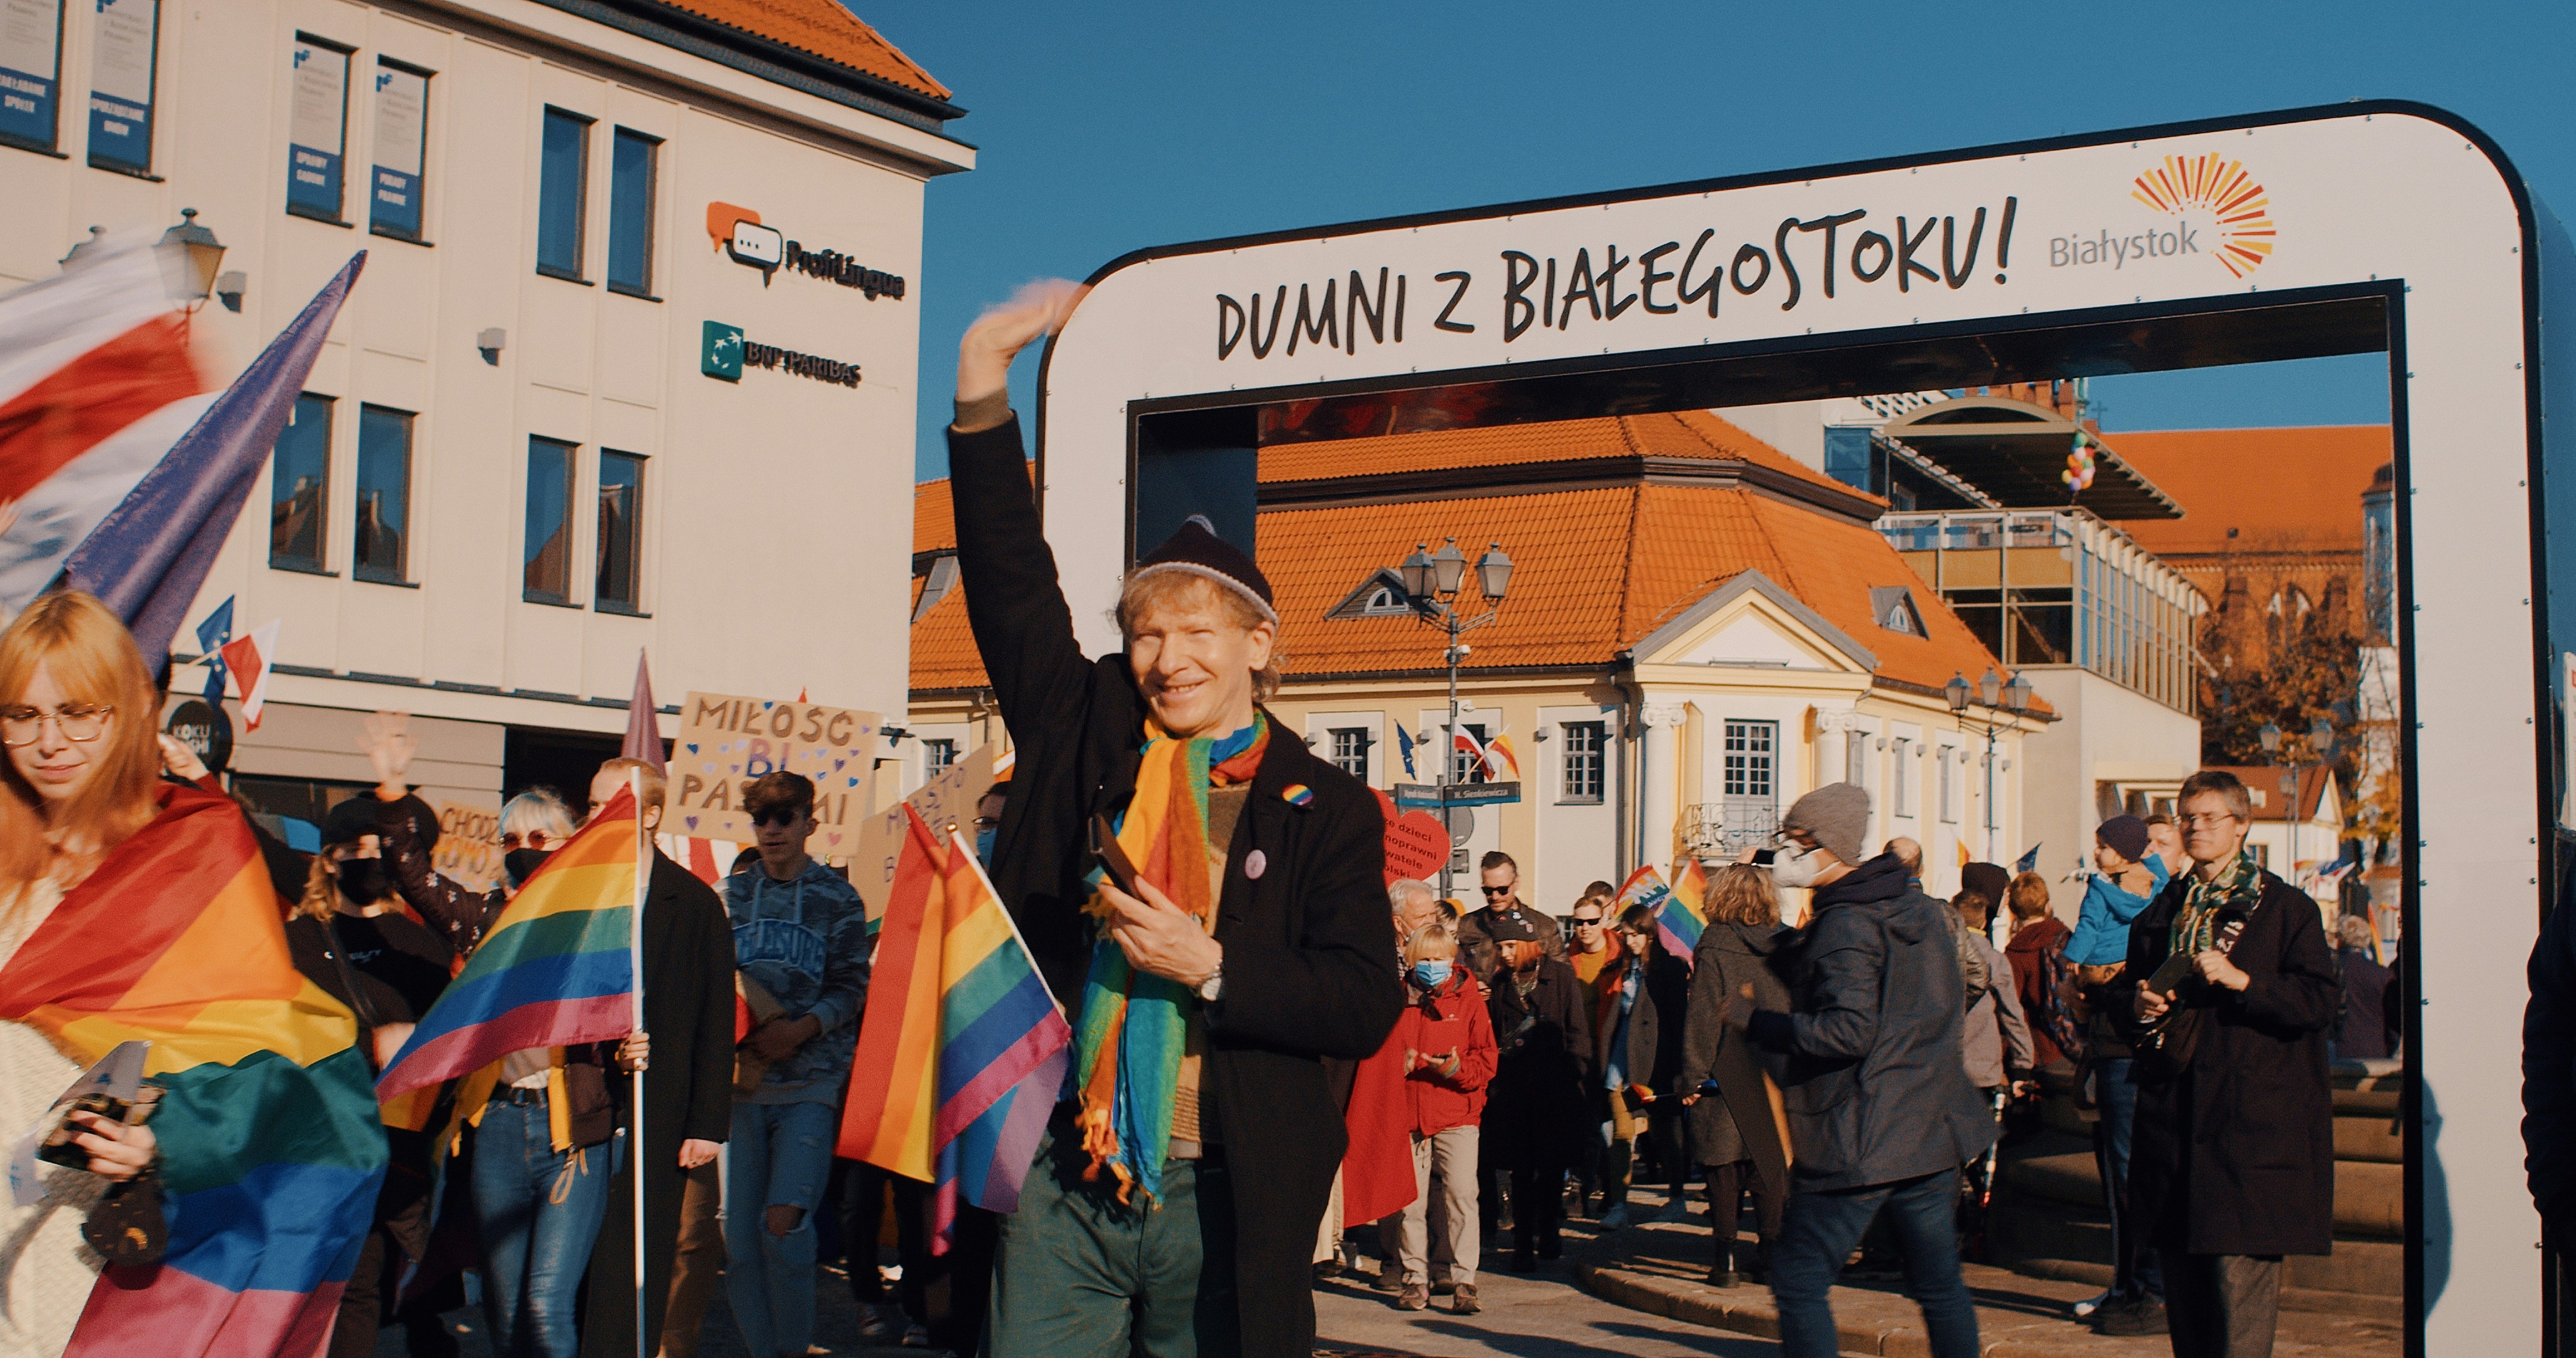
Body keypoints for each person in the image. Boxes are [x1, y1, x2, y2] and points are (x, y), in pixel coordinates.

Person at [949, 285, 1402, 1358]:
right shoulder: (1087, 729)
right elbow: (1011, 586)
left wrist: (1213, 965)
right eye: (1148, 633)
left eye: (1198, 629)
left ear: (1259, 645)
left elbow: (1362, 1001)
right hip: (1071, 1169)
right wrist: (980, 372)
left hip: (1223, 1191)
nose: (1168, 659)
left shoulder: (1324, 805)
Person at [0, 592, 383, 1358]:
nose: (51, 741)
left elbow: (288, 1070)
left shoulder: (192, 852)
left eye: (79, 711)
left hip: (88, 1241)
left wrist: (165, 1135)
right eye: (22, 715)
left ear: (126, 711)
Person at [1734, 783, 1991, 1358]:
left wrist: (1760, 1024)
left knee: (1798, 1281)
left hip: (1864, 1134)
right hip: (1930, 1126)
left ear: (1825, 845)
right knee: (1939, 1286)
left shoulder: (1847, 923)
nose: (1786, 854)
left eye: (1794, 841)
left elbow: (1848, 1030)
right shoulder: (1918, 909)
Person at [2128, 770, 2337, 1358]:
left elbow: (2320, 1001)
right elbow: (2127, 1003)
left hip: (2251, 1127)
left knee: (2239, 1294)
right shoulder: (2166, 905)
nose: (2195, 828)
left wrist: (2244, 980)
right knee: (2187, 1296)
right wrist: (2140, 1003)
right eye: (2186, 818)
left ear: (2242, 827)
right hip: (2175, 1125)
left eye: (2209, 817)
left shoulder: (2285, 908)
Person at [284, 793, 471, 1358]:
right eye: (352, 850)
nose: (366, 859)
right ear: (328, 859)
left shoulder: (420, 944)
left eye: (376, 849)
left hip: (392, 1149)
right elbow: (282, 1038)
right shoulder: (297, 944)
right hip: (315, 1143)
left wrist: (412, 1042)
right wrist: (370, 1044)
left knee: (361, 1285)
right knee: (301, 1284)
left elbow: (449, 1039)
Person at [724, 770, 870, 1358]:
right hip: (741, 1086)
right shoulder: (726, 896)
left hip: (811, 1082)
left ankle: (790, 1349)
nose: (773, 829)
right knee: (736, 1243)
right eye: (762, 817)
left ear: (811, 821)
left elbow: (855, 986)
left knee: (782, 1229)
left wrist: (803, 1028)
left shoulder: (838, 898)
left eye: (785, 817)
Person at [2065, 814, 2170, 1332]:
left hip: (2116, 1041)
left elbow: (2082, 946)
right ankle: (2137, 1284)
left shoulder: (2100, 894)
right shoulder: (2162, 892)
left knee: (2124, 1174)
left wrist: (2074, 975)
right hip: (2147, 1040)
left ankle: (2140, 1287)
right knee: (2136, 1172)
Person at [1678, 864, 1790, 1288]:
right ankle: (1769, 1252)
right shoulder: (1786, 942)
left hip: (1727, 1068)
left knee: (1723, 1166)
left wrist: (1691, 1075)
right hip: (1774, 1065)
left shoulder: (1716, 944)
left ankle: (1725, 1261)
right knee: (1768, 1166)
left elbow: (1703, 1016)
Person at [1385, 917, 1495, 1315]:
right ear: (1412, 960)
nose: (1434, 965)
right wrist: (1400, 1063)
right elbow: (1379, 1058)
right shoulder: (1396, 998)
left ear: (1452, 959)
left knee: (1463, 1194)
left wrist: (1453, 1069)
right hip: (1410, 1116)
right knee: (1409, 1204)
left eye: (1441, 958)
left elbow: (1486, 1060)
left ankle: (1465, 1280)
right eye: (1426, 958)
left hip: (1457, 1113)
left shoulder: (1469, 1000)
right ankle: (1415, 1279)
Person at [1482, 910, 1592, 1272]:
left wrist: (1573, 1072)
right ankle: (1522, 1245)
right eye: (1501, 946)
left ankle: (1549, 1235)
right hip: (1514, 1093)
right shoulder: (1500, 984)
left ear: (1529, 944)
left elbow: (1577, 1031)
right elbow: (1495, 1035)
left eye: (1511, 945)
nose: (1506, 953)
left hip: (1554, 1090)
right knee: (1520, 1171)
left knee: (1550, 1169)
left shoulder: (1560, 977)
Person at [1592, 904, 1690, 1231]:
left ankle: (1677, 1198)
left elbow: (1677, 1024)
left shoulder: (1671, 970)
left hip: (1658, 1062)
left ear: (1650, 934)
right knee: (1622, 1132)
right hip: (1623, 1057)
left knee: (1666, 1133)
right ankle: (1618, 1204)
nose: (1631, 941)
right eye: (1627, 935)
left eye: (1637, 935)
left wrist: (1679, 1068)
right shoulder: (1625, 966)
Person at [2002, 871, 2080, 1073]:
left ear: (2013, 910)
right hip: (2077, 1045)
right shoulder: (2066, 938)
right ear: (2047, 905)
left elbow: (2010, 1008)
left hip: (2041, 1054)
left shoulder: (2015, 953)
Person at [1457, 851, 1564, 986]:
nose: (1495, 897)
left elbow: (1563, 977)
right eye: (1488, 891)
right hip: (1481, 1006)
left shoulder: (1543, 926)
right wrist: (1471, 986)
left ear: (1516, 883)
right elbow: (1455, 971)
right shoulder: (1467, 925)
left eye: (1502, 890)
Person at [2333, 916, 2395, 1061]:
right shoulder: (2383, 975)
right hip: (2376, 1051)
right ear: (2367, 941)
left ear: (2341, 939)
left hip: (2338, 1051)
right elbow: (2393, 1022)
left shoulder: (2331, 971)